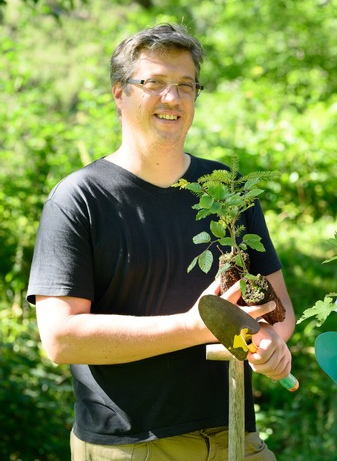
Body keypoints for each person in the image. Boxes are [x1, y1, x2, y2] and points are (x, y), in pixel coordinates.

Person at [26, 23, 295, 461]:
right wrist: (194, 326)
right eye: (154, 83)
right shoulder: (81, 198)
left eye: (185, 86)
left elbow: (277, 309)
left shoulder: (227, 193)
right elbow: (61, 338)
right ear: (120, 93)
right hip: (133, 445)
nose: (172, 98)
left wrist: (269, 342)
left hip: (235, 434)